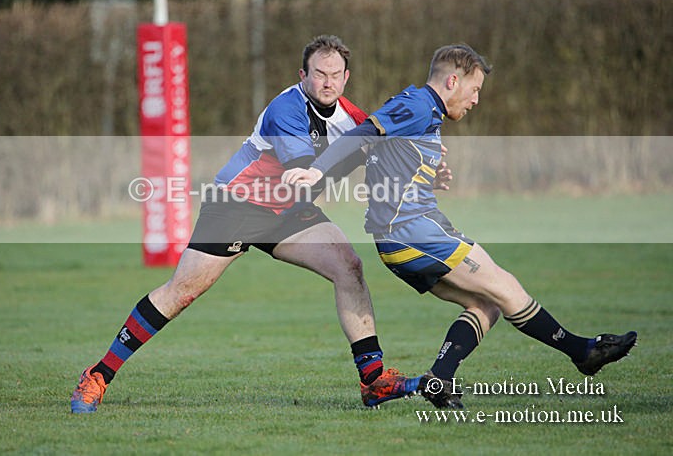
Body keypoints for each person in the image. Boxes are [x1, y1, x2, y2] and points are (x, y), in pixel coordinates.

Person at [71, 35, 428, 413]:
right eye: (320, 74)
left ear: (346, 77)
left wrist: (420, 170)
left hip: (288, 211)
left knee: (349, 267)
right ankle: (97, 375)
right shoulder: (286, 109)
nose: (328, 83)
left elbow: (376, 153)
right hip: (238, 204)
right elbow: (304, 171)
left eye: (336, 75)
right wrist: (365, 151)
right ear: (302, 75)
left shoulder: (350, 117)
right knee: (181, 293)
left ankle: (373, 382)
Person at [282, 43, 637, 409]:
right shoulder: (419, 105)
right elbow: (363, 136)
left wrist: (421, 177)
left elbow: (379, 152)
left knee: (486, 305)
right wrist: (317, 170)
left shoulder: (425, 112)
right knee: (505, 287)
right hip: (415, 231)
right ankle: (583, 351)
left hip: (406, 236)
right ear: (453, 80)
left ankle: (440, 379)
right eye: (474, 89)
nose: (476, 100)